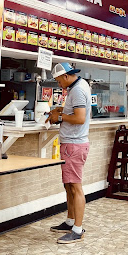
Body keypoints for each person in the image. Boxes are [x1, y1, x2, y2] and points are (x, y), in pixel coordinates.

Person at [47, 62, 92, 244]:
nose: (59, 85)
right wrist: (62, 110)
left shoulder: (78, 90)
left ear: (66, 76)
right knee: (68, 186)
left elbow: (80, 118)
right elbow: (75, 111)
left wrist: (60, 116)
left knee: (75, 187)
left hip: (74, 145)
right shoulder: (78, 86)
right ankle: (70, 222)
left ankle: (77, 230)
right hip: (71, 144)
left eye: (59, 81)